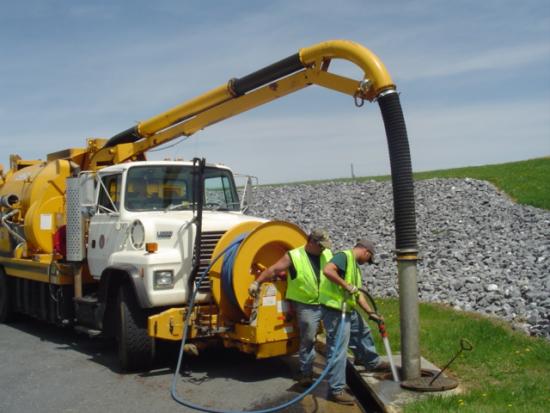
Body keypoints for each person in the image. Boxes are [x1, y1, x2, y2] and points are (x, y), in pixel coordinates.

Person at [248, 228, 333, 387]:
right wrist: (257, 282)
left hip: (327, 302)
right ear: (311, 242)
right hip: (306, 305)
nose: (324, 248)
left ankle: (365, 361)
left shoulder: (327, 254)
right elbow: (273, 269)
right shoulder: (294, 256)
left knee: (339, 333)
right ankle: (306, 373)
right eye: (321, 245)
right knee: (308, 338)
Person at [320, 238, 388, 406]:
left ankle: (371, 361)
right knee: (338, 350)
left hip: (347, 309)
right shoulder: (344, 257)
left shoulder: (354, 267)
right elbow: (328, 270)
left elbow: (358, 294)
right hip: (335, 311)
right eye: (369, 258)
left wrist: (371, 313)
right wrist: (346, 285)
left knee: (362, 331)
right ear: (366, 251)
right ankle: (337, 390)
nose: (367, 262)